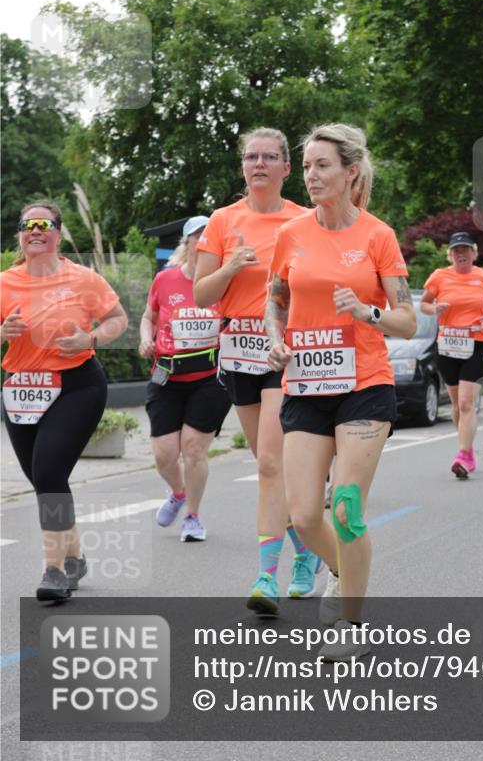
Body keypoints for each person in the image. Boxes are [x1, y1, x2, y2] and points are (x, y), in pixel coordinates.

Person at [265, 123, 416, 658]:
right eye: (306, 166)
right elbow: (275, 300)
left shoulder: (378, 236)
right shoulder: (291, 234)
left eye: (322, 165)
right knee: (305, 516)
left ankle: (351, 624)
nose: (311, 175)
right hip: (306, 384)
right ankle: (340, 568)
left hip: (365, 384)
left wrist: (368, 312)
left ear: (351, 172)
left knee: (346, 508)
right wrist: (275, 339)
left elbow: (407, 319)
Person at [194, 128, 319, 611]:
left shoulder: (304, 220)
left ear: (287, 168)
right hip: (237, 352)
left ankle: (266, 577)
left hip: (282, 353)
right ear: (243, 166)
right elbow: (201, 294)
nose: (259, 163)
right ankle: (305, 550)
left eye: (270, 157)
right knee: (270, 466)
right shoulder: (223, 221)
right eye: (251, 156)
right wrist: (230, 267)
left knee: (269, 462)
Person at [0, 200, 128, 601]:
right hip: (22, 390)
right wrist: (3, 332)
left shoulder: (83, 279)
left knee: (50, 473)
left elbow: (118, 319)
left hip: (76, 386)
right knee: (45, 480)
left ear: (57, 233)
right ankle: (74, 557)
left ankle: (53, 571)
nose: (35, 230)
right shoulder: (4, 282)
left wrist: (91, 338)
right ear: (20, 235)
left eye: (44, 224)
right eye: (28, 225)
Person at [139, 216, 231, 542]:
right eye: (197, 238)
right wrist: (145, 339)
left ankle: (192, 516)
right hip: (167, 376)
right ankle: (178, 493)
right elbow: (148, 317)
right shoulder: (165, 279)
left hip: (210, 377)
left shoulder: (225, 282)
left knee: (193, 449)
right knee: (164, 455)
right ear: (187, 243)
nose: (202, 243)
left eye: (209, 238)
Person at [420, 232, 483, 479]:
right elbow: (424, 304)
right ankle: (467, 448)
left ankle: (464, 455)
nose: (461, 254)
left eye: (465, 250)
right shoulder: (439, 276)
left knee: (466, 403)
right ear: (451, 255)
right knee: (457, 404)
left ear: (473, 253)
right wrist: (434, 308)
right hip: (448, 345)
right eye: (457, 250)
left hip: (477, 344)